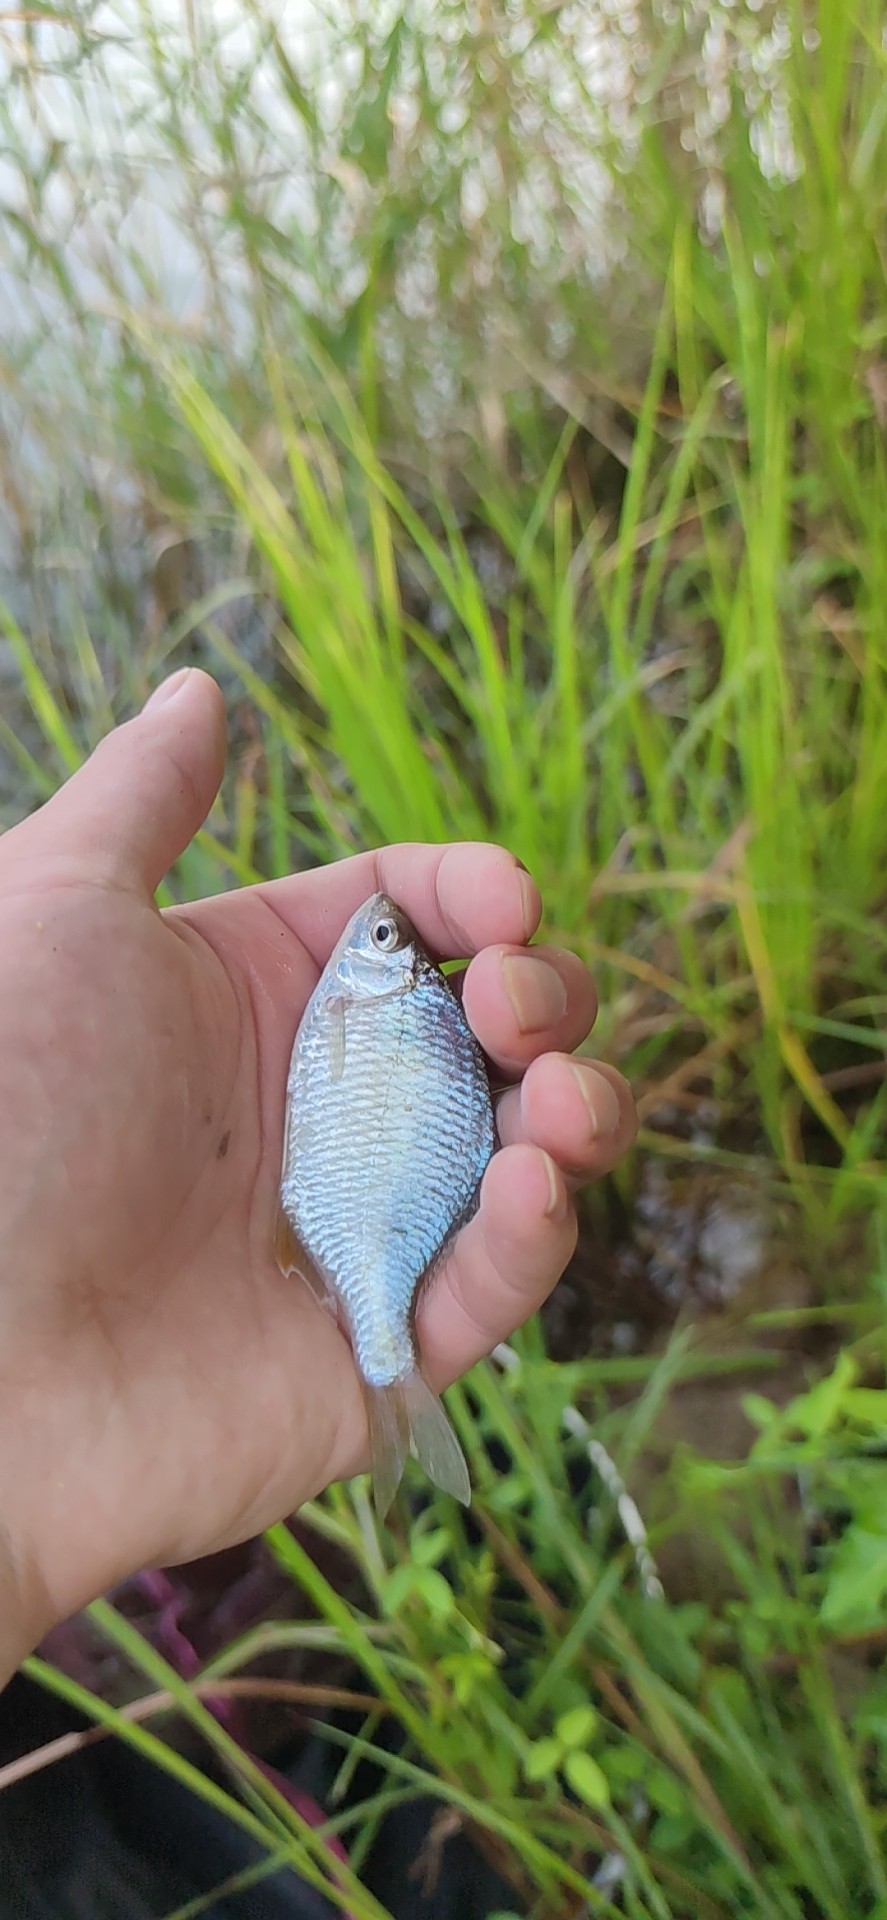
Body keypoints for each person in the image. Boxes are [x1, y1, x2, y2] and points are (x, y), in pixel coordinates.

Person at [0, 668, 636, 1687]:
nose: (374, 935)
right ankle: (398, 1402)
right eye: (386, 936)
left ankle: (396, 1396)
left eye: (379, 938)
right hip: (349, 1213)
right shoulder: (373, 991)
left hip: (353, 1215)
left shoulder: (370, 997)